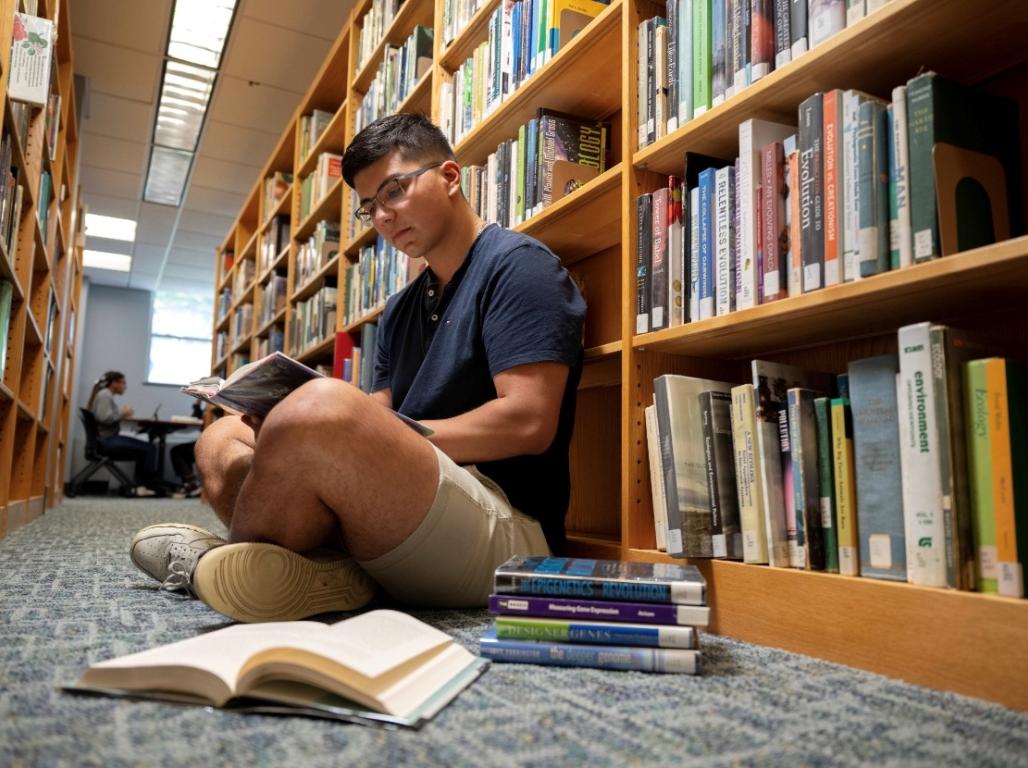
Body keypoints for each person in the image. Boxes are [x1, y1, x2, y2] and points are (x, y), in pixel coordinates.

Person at [129, 114, 586, 623]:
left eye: (394, 191)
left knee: (324, 406)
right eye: (371, 207)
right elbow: (381, 409)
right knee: (221, 438)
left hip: (505, 525)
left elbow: (527, 422)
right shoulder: (401, 306)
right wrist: (279, 417)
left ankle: (228, 561)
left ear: (450, 177)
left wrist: (367, 431)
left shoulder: (520, 266)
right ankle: (318, 571)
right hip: (410, 506)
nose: (384, 217)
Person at [87, 371, 160, 497]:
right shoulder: (105, 395)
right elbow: (104, 418)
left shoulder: (105, 394)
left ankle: (139, 486)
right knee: (150, 448)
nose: (125, 386)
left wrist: (121, 413)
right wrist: (123, 413)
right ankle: (144, 485)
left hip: (105, 439)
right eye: (123, 383)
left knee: (146, 449)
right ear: (114, 383)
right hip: (107, 441)